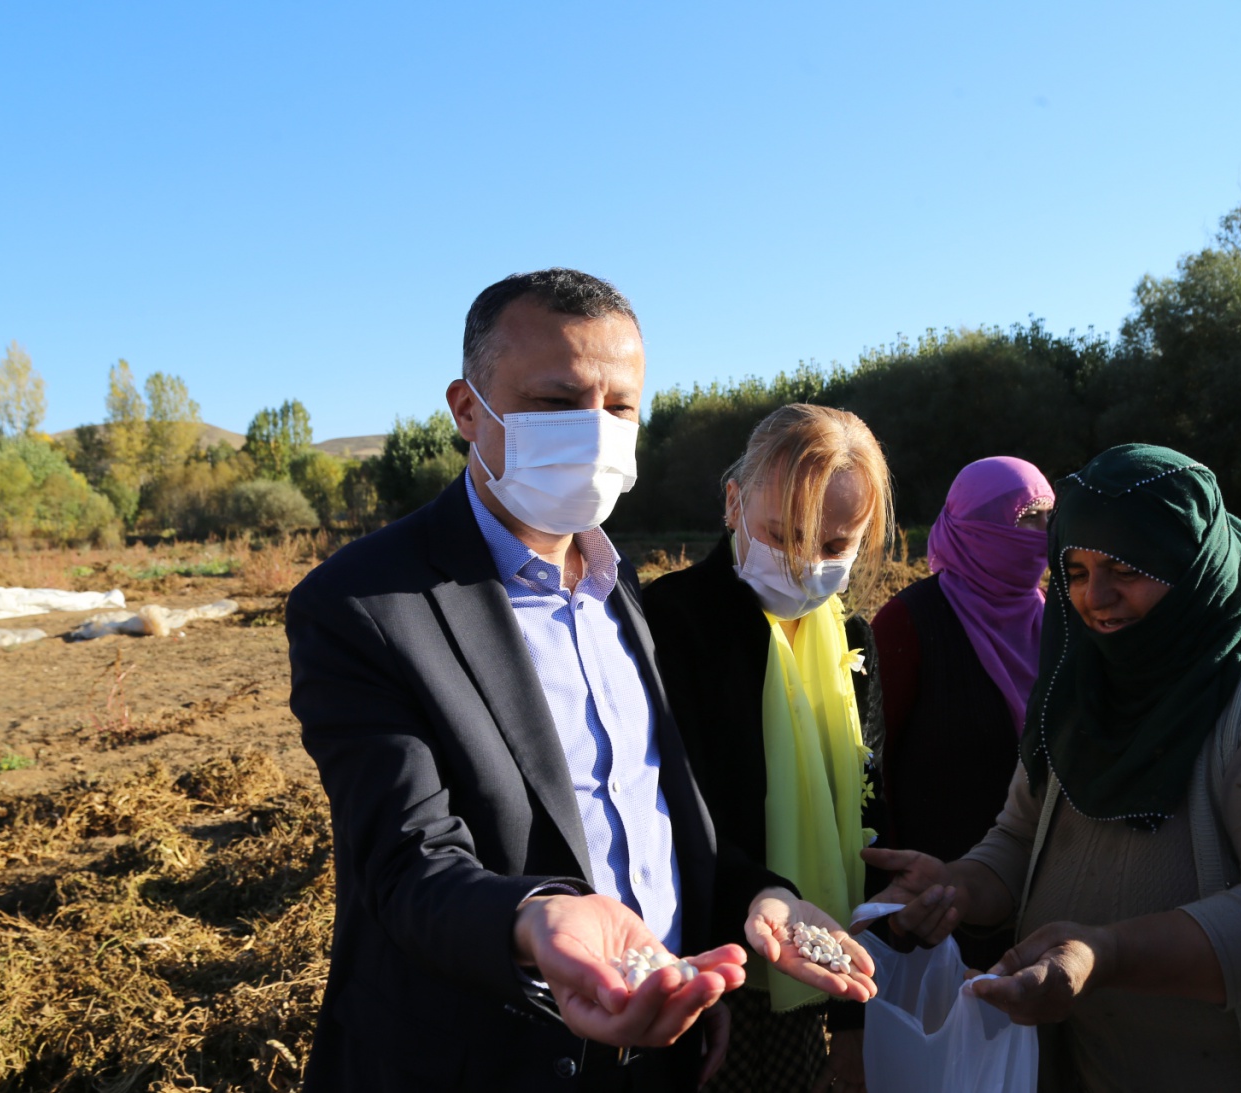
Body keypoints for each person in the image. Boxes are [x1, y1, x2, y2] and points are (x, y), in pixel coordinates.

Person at [287, 269, 874, 1093]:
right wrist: (536, 919)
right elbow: (408, 862)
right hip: (484, 1058)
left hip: (662, 1039)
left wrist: (751, 899)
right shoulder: (366, 605)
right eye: (557, 402)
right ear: (466, 409)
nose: (594, 432)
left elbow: (659, 804)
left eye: (619, 406)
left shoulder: (618, 587)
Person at [863, 443, 1241, 1093]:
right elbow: (1018, 838)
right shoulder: (1081, 690)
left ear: (1192, 562)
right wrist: (958, 885)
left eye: (1125, 567)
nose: (1096, 597)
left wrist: (1108, 952)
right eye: (1075, 568)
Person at [643, 404, 892, 1093]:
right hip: (710, 962)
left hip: (819, 964)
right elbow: (663, 813)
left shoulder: (851, 642)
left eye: (835, 546)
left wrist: (850, 1023)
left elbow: (865, 810)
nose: (806, 564)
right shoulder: (673, 620)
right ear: (733, 502)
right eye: (783, 534)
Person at [869, 457, 1053, 969]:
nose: (1042, 536)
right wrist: (892, 895)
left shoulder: (1060, 621)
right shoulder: (909, 622)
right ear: (973, 525)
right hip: (937, 902)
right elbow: (872, 766)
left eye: (1048, 519)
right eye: (1026, 520)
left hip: (1041, 894)